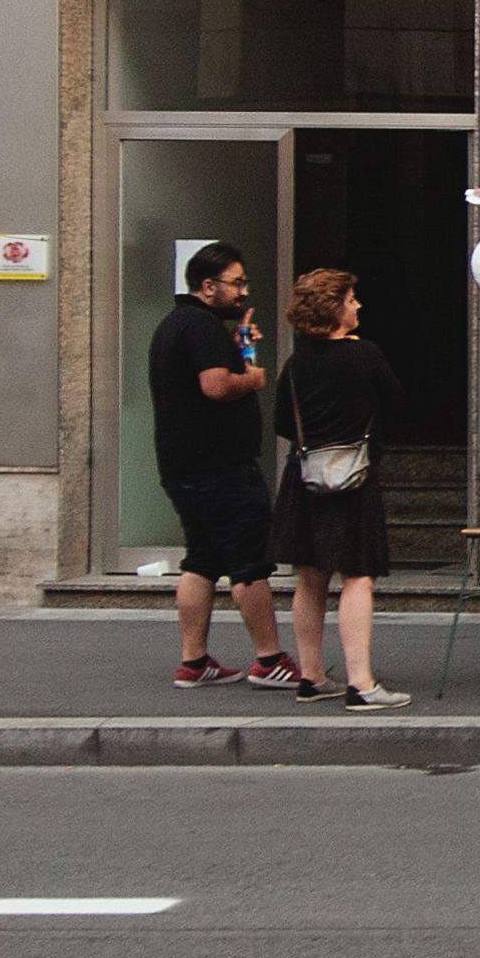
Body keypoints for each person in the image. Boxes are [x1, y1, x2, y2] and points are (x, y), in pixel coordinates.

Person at [147, 241, 295, 690]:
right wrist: (251, 378)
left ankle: (194, 661)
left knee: (202, 559)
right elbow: (214, 386)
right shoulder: (202, 326)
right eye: (236, 283)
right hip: (221, 467)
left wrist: (239, 350)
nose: (243, 291)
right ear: (208, 286)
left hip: (184, 466)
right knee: (249, 562)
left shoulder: (176, 324)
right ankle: (269, 659)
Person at [271, 268, 409, 710]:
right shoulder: (365, 355)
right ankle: (361, 683)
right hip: (353, 479)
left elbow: (281, 422)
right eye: (351, 299)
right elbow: (397, 402)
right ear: (334, 309)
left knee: (310, 577)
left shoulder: (296, 363)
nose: (358, 304)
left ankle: (311, 675)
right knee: (357, 576)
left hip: (305, 478)